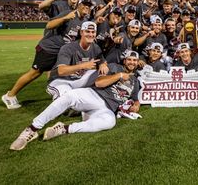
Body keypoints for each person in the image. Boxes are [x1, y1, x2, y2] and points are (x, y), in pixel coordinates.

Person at [9, 50, 141, 151]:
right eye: (129, 59)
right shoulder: (114, 67)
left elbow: (135, 99)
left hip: (107, 109)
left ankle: (64, 129)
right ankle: (32, 129)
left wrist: (136, 105)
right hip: (93, 95)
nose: (132, 62)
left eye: (135, 60)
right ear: (125, 61)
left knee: (109, 122)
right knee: (69, 96)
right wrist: (119, 75)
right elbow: (99, 83)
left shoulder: (135, 81)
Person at [1, 0, 94, 109]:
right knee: (34, 73)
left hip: (60, 52)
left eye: (89, 5)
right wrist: (65, 18)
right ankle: (10, 95)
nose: (86, 7)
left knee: (61, 74)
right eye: (84, 4)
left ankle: (60, 97)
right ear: (79, 4)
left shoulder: (84, 20)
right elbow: (49, 25)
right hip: (49, 49)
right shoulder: (69, 13)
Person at [46, 21, 109, 100]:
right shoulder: (68, 48)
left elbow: (102, 61)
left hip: (77, 80)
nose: (90, 34)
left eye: (93, 32)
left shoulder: (95, 47)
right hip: (60, 81)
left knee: (103, 74)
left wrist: (103, 64)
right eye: (87, 31)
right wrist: (83, 65)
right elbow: (61, 71)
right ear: (81, 32)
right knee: (66, 98)